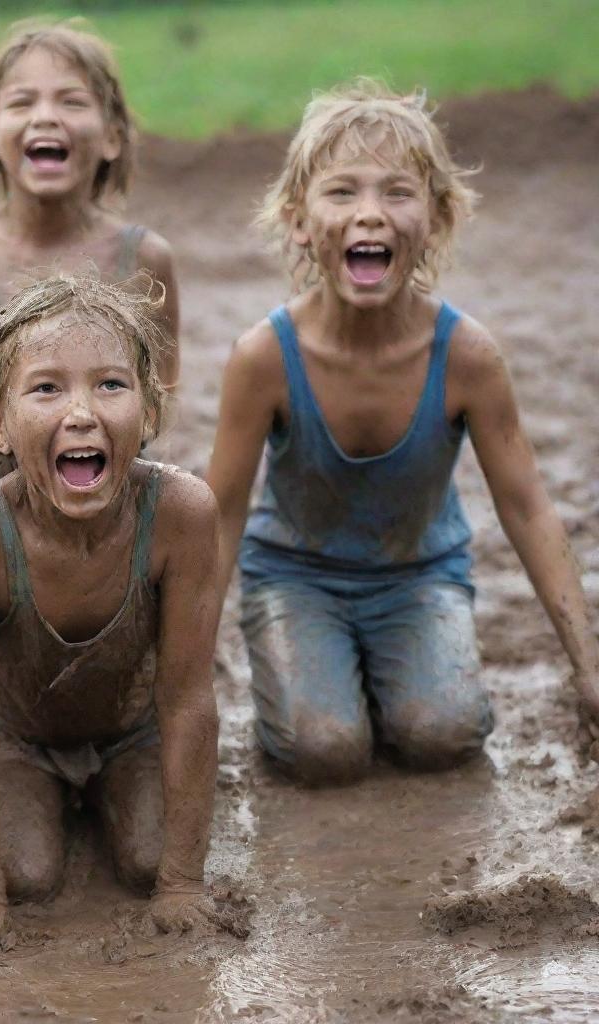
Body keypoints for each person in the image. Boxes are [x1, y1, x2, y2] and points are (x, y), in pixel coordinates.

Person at [206, 81, 599, 786]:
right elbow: (220, 514)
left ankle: (395, 682)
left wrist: (589, 665)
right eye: (342, 193)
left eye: (397, 193)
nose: (370, 215)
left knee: (441, 735)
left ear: (438, 218)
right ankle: (327, 683)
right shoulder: (263, 358)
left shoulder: (468, 357)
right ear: (298, 220)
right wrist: (179, 679)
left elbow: (528, 507)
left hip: (421, 576)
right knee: (324, 750)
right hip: (296, 576)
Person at [0, 273, 218, 964]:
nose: (82, 413)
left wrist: (182, 882)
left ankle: (124, 811)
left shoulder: (181, 514)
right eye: (47, 388)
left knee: (150, 862)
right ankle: (45, 816)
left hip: (132, 729)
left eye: (111, 385)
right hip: (18, 739)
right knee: (25, 876)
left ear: (148, 411)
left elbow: (189, 700)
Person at [0, 20, 180, 605]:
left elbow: (155, 408)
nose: (46, 116)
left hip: (107, 527)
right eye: (23, 101)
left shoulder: (145, 259)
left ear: (111, 137)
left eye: (72, 101)